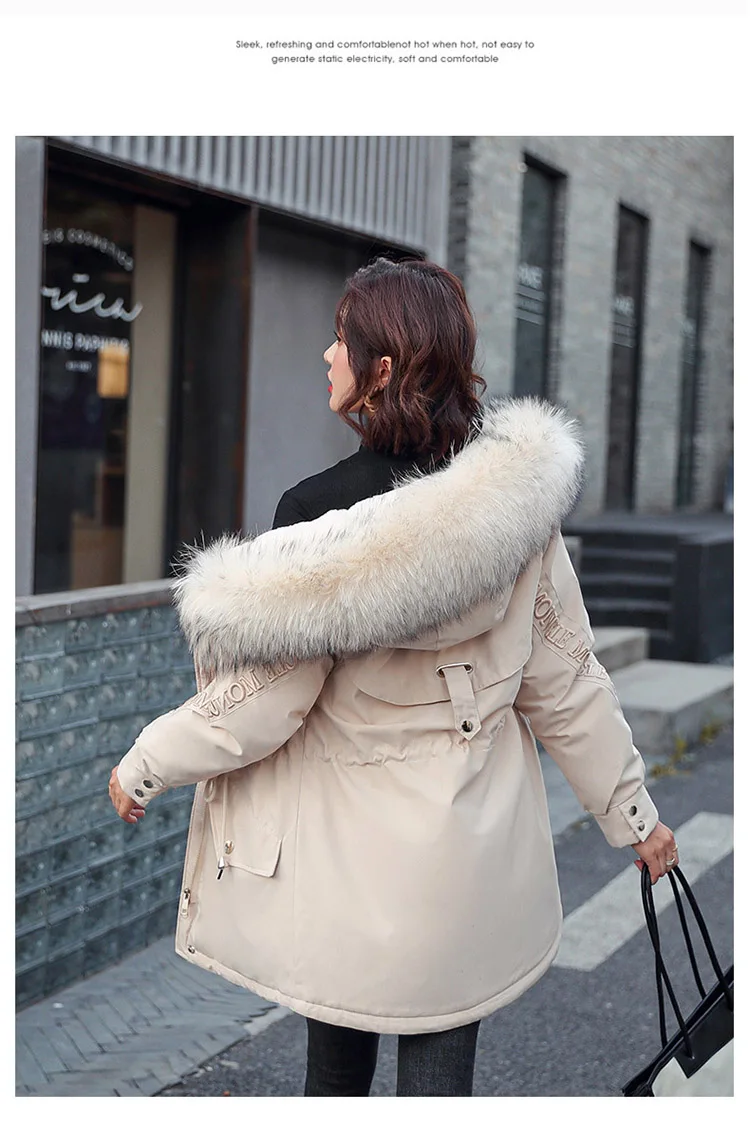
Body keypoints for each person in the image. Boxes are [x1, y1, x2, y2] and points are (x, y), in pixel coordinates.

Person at [109, 258, 678, 1097]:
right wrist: (635, 817)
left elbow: (262, 701)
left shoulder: (315, 518)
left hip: (348, 877)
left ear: (381, 370)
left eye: (340, 339)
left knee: (334, 1083)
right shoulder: (516, 509)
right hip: (464, 872)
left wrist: (146, 761)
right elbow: (568, 681)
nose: (325, 355)